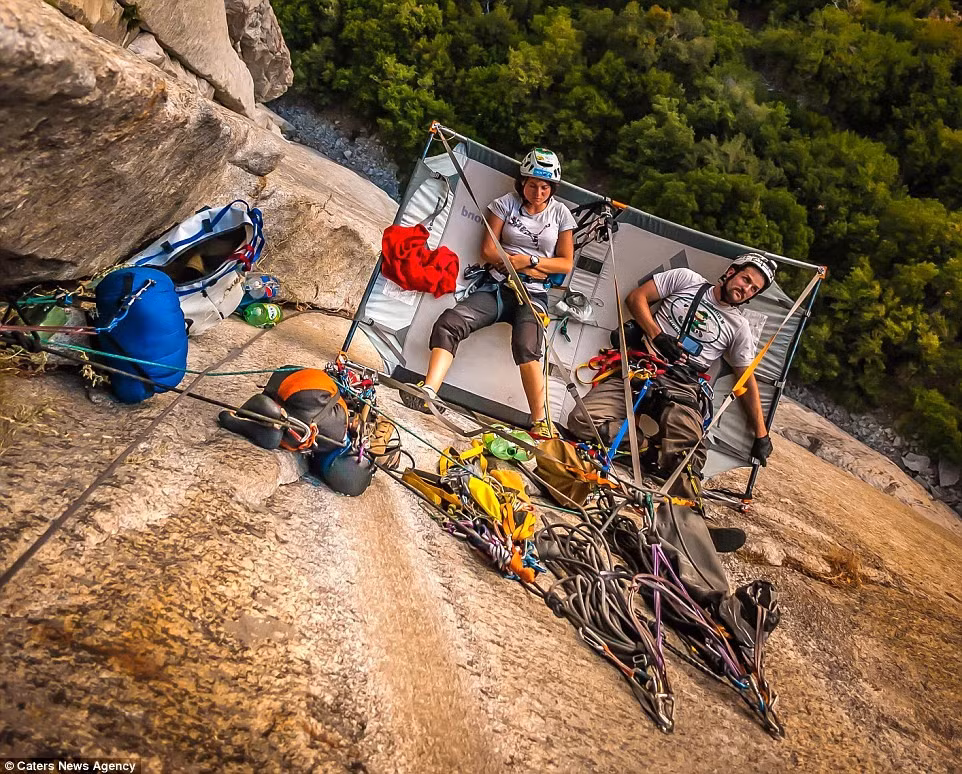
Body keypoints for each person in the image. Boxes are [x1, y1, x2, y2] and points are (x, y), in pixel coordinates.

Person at [566, 253, 777, 499]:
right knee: (581, 421)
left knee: (688, 459)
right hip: (641, 369)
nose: (746, 289)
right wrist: (657, 335)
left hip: (683, 384)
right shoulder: (686, 279)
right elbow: (636, 298)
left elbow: (746, 381)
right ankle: (645, 449)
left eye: (754, 289)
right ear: (731, 272)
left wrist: (761, 434)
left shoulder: (739, 327)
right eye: (745, 279)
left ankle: (683, 506)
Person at [401, 148, 577, 438]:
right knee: (450, 323)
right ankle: (429, 390)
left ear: (552, 188)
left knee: (527, 346)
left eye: (545, 187)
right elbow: (488, 250)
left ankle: (540, 422)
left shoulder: (561, 214)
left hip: (533, 294)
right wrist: (517, 264)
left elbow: (565, 263)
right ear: (522, 182)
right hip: (497, 285)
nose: (538, 193)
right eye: (533, 185)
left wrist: (528, 261)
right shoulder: (505, 204)